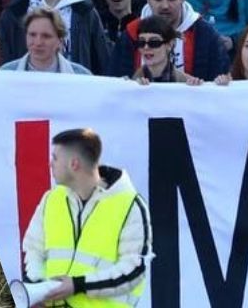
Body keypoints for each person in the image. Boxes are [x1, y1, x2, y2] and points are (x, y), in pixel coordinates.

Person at [20, 127, 151, 307]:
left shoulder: (131, 205)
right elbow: (33, 251)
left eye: (55, 158)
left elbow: (133, 270)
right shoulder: (51, 199)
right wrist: (36, 290)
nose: (51, 164)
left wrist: (78, 285)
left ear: (74, 164)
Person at [112, 0, 228, 78]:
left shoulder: (205, 34)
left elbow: (217, 82)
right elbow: (118, 82)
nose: (165, 6)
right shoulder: (131, 34)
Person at [0, 6, 93, 74]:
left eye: (46, 36)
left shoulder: (82, 76)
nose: (38, 42)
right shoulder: (5, 73)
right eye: (32, 35)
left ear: (60, 41)